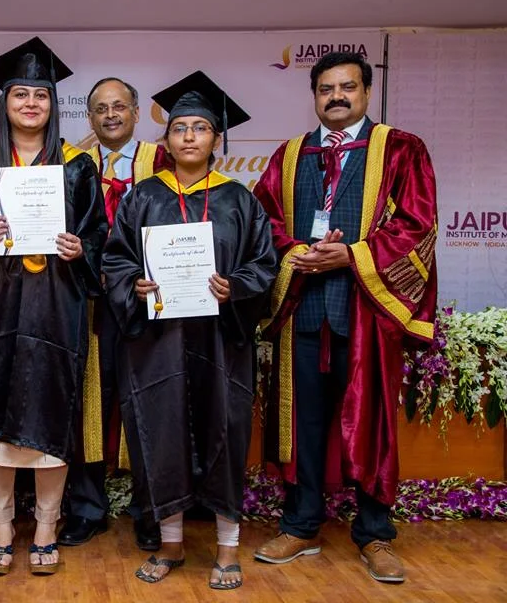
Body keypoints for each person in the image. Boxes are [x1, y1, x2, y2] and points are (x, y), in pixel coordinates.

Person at [252, 51, 438, 584]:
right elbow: (263, 219)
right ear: (314, 95)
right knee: (302, 424)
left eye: (347, 87)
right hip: (304, 311)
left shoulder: (400, 149)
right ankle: (301, 524)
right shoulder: (289, 155)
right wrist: (296, 253)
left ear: (366, 92)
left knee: (371, 423)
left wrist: (352, 255)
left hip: (366, 313)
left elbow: (417, 223)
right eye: (326, 89)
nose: (336, 96)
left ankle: (375, 533)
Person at [103, 71, 276, 589]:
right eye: (179, 128)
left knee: (225, 431)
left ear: (216, 139)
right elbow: (116, 260)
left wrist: (236, 287)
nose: (189, 137)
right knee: (164, 432)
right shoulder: (143, 197)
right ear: (166, 139)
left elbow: (264, 265)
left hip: (221, 342)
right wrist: (134, 284)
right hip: (160, 343)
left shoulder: (240, 200)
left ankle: (227, 548)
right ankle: (171, 543)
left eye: (200, 128)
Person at [0, 37, 108, 576]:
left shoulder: (78, 168)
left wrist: (82, 249)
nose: (31, 103)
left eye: (41, 95)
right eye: (21, 94)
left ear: (53, 105)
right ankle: (1, 526)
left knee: (50, 410)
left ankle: (45, 526)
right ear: (5, 103)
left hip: (56, 307)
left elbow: (101, 237)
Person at [57, 77, 167, 552]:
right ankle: (86, 507)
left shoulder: (162, 162)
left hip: (147, 303)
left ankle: (152, 511)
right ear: (90, 117)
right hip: (88, 303)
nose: (110, 115)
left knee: (148, 404)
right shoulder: (72, 167)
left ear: (137, 113)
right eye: (100, 109)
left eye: (119, 106)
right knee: (87, 403)